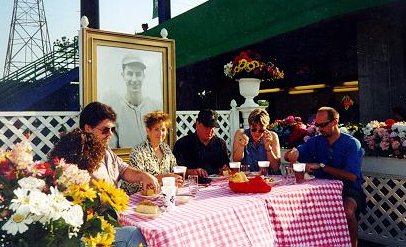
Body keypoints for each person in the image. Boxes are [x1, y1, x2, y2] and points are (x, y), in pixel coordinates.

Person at [54, 101, 160, 247]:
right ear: (88, 129)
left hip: (111, 218)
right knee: (134, 234)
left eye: (112, 130)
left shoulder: (105, 150)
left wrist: (144, 175)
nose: (110, 134)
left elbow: (123, 169)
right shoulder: (76, 155)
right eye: (105, 130)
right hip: (90, 229)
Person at [284, 106, 365, 247]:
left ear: (335, 122)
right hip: (320, 190)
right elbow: (289, 155)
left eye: (323, 125)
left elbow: (352, 176)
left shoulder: (351, 143)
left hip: (348, 189)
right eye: (317, 125)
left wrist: (321, 166)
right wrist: (292, 153)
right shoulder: (317, 141)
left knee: (346, 210)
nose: (320, 129)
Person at [121, 111, 183, 195]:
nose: (160, 133)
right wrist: (165, 177)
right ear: (148, 130)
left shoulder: (166, 149)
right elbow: (135, 185)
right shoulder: (138, 152)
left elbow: (173, 172)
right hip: (135, 198)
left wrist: (175, 181)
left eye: (163, 130)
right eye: (156, 129)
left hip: (159, 196)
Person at [106, 54, 161, 148]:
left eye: (138, 74)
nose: (134, 79)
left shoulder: (154, 106)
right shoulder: (114, 110)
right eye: (130, 74)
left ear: (144, 76)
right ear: (123, 75)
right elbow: (113, 149)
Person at [173, 109, 230, 177]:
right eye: (206, 127)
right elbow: (175, 170)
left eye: (212, 127)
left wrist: (225, 170)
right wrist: (192, 172)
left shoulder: (220, 143)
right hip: (191, 183)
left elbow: (226, 166)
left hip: (216, 183)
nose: (209, 131)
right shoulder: (182, 144)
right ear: (197, 123)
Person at [232, 108, 281, 174]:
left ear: (266, 127)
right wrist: (241, 146)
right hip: (248, 178)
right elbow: (236, 161)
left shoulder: (272, 136)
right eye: (254, 129)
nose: (257, 133)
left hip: (268, 178)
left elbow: (275, 167)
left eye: (261, 130)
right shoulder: (241, 134)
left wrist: (268, 148)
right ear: (249, 125)